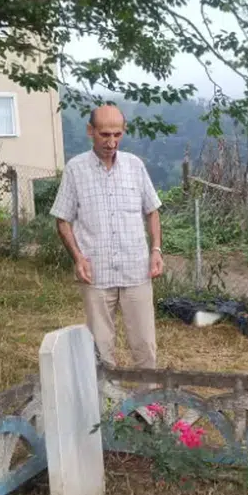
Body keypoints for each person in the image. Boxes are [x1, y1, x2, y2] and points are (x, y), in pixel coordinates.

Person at [51, 104, 165, 368]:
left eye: (117, 134)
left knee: (145, 344)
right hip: (96, 273)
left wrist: (156, 250)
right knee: (100, 348)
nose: (111, 142)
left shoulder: (135, 166)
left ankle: (148, 405)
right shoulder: (75, 169)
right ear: (91, 131)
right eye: (104, 135)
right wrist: (78, 258)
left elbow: (153, 211)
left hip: (136, 270)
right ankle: (106, 403)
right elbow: (62, 220)